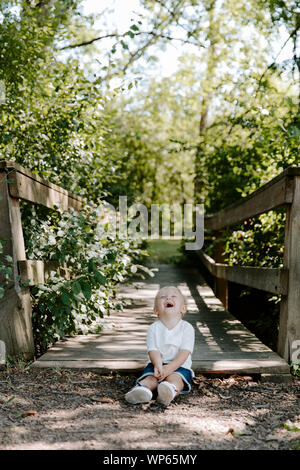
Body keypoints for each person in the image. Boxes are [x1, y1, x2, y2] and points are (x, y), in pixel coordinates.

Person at [125, 285, 195, 406]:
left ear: (183, 309)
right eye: (163, 297)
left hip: (180, 366)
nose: (168, 298)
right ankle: (142, 390)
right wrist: (158, 365)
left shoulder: (187, 328)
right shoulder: (153, 328)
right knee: (151, 379)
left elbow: (184, 352)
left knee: (175, 379)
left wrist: (170, 368)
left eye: (173, 296)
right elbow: (153, 350)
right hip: (156, 365)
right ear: (156, 310)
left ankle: (169, 391)